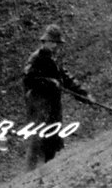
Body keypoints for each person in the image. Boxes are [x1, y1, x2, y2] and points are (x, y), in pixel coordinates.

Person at [23, 24, 93, 169]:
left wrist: (83, 95)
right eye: (53, 42)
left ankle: (50, 171)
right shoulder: (36, 58)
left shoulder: (54, 59)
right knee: (37, 140)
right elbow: (28, 79)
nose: (56, 46)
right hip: (39, 105)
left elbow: (66, 78)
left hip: (53, 105)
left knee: (53, 140)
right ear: (45, 42)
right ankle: (30, 175)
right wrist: (49, 82)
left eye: (57, 43)